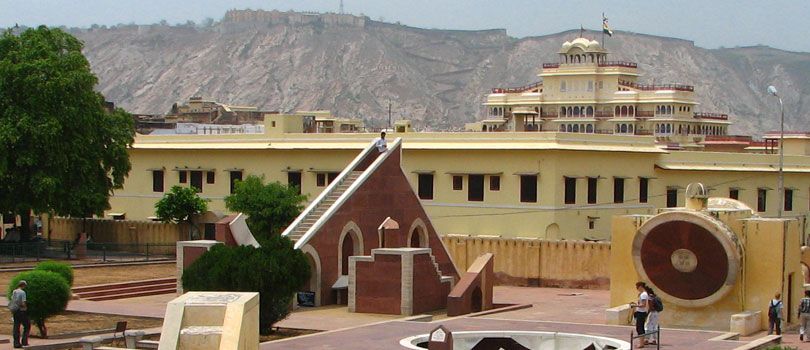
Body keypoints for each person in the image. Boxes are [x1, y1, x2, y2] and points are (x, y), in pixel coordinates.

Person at [8, 280, 30, 348]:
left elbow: (12, 300)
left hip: (15, 310)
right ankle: (24, 342)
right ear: (23, 285)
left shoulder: (14, 291)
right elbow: (23, 302)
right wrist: (25, 308)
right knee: (27, 325)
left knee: (16, 326)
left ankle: (16, 343)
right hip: (21, 311)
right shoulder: (22, 292)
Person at [629, 281, 649, 348]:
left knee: (639, 328)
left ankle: (641, 343)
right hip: (641, 312)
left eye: (637, 287)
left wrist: (634, 306)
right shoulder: (644, 294)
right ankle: (641, 342)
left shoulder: (643, 294)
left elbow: (643, 305)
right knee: (641, 327)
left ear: (640, 287)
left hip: (641, 313)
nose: (637, 288)